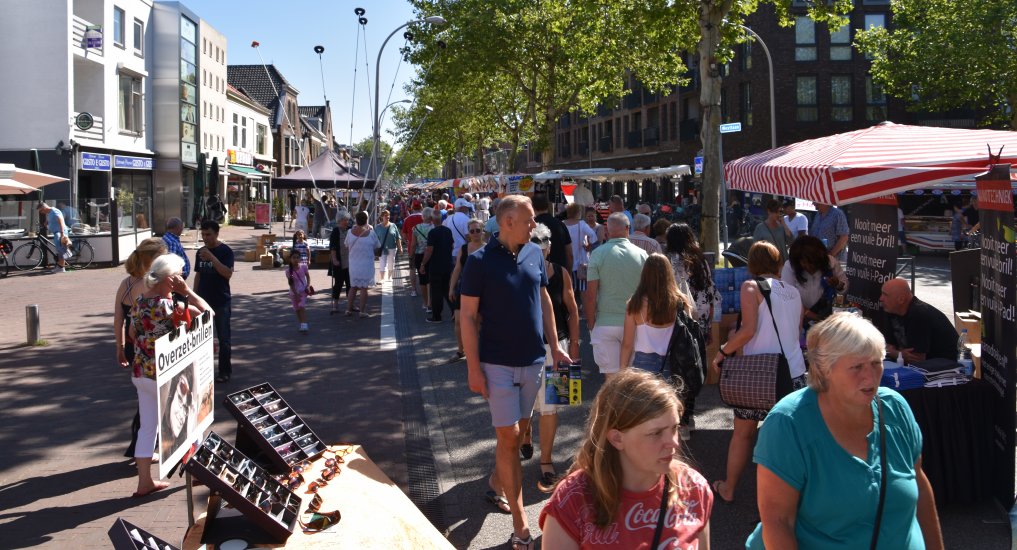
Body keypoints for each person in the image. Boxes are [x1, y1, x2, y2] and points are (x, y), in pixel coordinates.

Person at [746, 313, 943, 550]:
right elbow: (778, 522)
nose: (870, 377)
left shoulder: (895, 408)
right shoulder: (788, 423)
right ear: (824, 369)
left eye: (875, 363)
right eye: (857, 366)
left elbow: (919, 486)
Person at [459, 195, 572, 550]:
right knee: (509, 437)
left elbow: (546, 302)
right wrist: (473, 368)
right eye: (528, 221)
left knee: (520, 433)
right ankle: (520, 527)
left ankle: (497, 481)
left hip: (535, 360)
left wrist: (556, 346)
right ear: (508, 221)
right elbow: (465, 316)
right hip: (496, 364)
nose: (534, 227)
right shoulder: (478, 262)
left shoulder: (535, 253)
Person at [539, 369, 713, 549]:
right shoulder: (573, 500)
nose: (674, 443)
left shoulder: (694, 488)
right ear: (617, 438)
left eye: (675, 428)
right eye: (656, 433)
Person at [710, 241, 807, 505]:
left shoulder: (751, 287)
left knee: (743, 433)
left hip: (760, 375)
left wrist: (722, 352)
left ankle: (729, 488)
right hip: (794, 372)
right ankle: (789, 496)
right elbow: (797, 332)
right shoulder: (794, 292)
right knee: (788, 437)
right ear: (777, 264)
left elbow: (748, 330)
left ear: (751, 264)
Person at [128, 254, 208, 498]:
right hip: (167, 375)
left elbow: (132, 333)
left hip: (143, 372)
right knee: (190, 421)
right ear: (170, 279)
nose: (183, 278)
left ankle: (144, 482)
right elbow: (208, 314)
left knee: (147, 429)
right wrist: (188, 293)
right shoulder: (173, 307)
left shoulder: (140, 302)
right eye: (181, 274)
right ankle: (195, 474)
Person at [518, 223, 581, 493]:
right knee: (525, 405)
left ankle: (546, 460)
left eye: (543, 247)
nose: (540, 252)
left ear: (549, 248)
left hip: (561, 345)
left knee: (554, 405)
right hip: (525, 348)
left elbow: (573, 310)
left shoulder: (562, 273)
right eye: (535, 247)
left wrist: (575, 346)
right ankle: (526, 432)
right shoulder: (517, 271)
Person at [664, 223, 720, 437]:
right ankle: (689, 416)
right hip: (700, 316)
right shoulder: (700, 259)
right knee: (694, 364)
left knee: (678, 367)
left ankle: (682, 420)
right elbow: (709, 289)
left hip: (678, 316)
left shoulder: (669, 259)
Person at [114, 238, 168, 459]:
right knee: (151, 400)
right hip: (150, 347)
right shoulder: (147, 285)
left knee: (144, 396)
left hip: (132, 347)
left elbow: (118, 320)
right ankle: (141, 445)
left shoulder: (125, 284)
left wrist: (120, 347)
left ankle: (139, 444)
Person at [585, 213, 648, 379]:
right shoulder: (642, 255)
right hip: (636, 322)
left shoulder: (598, 254)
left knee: (612, 380)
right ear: (628, 229)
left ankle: (612, 406)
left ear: (607, 230)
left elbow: (591, 295)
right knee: (633, 378)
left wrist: (591, 323)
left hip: (605, 322)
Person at [879, 278, 958, 363]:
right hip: (921, 366)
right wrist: (898, 354)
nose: (881, 298)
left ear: (901, 300)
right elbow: (888, 346)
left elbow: (916, 359)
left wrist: (895, 353)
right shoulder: (891, 310)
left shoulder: (919, 314)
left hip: (945, 367)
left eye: (885, 295)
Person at [194, 221, 234, 383]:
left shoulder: (225, 251)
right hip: (203, 302)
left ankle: (224, 371)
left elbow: (227, 273)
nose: (205, 238)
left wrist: (212, 257)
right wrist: (194, 296)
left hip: (221, 300)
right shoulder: (200, 252)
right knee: (202, 338)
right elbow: (198, 274)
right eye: (203, 234)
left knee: (224, 338)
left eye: (208, 234)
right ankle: (204, 372)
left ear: (216, 234)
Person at [782, 236, 847, 325]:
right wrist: (814, 317)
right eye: (805, 263)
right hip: (799, 320)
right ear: (797, 261)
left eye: (813, 262)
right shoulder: (790, 267)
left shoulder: (830, 263)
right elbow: (788, 298)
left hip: (827, 318)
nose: (810, 266)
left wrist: (837, 284)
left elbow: (844, 287)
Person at [448, 219, 486, 359]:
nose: (475, 233)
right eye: (472, 231)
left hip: (481, 290)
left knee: (477, 322)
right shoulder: (464, 249)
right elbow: (457, 268)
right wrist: (451, 288)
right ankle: (460, 350)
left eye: (478, 230)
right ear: (468, 233)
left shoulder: (487, 248)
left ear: (482, 231)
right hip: (463, 288)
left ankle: (476, 352)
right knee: (458, 322)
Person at [420, 208, 455, 323]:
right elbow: (452, 245)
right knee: (447, 289)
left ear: (432, 220)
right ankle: (455, 312)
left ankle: (437, 316)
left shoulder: (433, 233)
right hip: (447, 264)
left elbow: (430, 250)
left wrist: (423, 263)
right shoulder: (447, 231)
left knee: (436, 292)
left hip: (436, 265)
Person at [344, 211, 381, 318]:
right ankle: (362, 311)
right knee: (364, 288)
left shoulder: (350, 232)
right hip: (366, 264)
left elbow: (346, 245)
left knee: (353, 287)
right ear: (366, 220)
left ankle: (348, 309)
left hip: (354, 264)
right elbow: (377, 246)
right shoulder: (371, 233)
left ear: (356, 220)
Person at [563, 202, 598, 294]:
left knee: (569, 290)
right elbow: (593, 236)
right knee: (583, 289)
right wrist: (589, 245)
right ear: (578, 212)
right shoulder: (581, 224)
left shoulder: (562, 224)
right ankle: (583, 307)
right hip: (581, 262)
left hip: (566, 262)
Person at [532, 192, 573, 270]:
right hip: (560, 272)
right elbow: (569, 253)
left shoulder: (532, 227)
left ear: (532, 207)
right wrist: (569, 274)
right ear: (547, 206)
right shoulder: (560, 224)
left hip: (539, 272)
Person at [410, 207, 435, 314]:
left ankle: (425, 302)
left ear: (423, 216)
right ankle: (430, 302)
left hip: (420, 255)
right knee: (430, 279)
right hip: (432, 254)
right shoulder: (434, 227)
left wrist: (411, 256)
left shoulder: (416, 228)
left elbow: (413, 244)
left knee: (423, 279)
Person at [753, 198, 792, 263]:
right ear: (769, 211)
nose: (778, 214)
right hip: (768, 263)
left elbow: (790, 241)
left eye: (779, 212)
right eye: (775, 212)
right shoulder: (760, 228)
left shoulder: (782, 227)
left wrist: (784, 224)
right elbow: (755, 249)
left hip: (782, 262)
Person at [328, 211, 351, 314]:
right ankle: (335, 304)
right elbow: (332, 247)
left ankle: (350, 304)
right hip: (339, 261)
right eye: (345, 220)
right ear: (339, 220)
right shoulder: (335, 231)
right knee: (338, 284)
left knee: (350, 284)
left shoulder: (350, 230)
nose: (347, 222)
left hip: (350, 261)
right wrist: (334, 260)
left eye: (347, 220)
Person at [285, 245, 312, 332]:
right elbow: (291, 284)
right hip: (294, 292)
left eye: (297, 257)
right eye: (293, 258)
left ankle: (304, 324)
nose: (296, 259)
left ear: (300, 258)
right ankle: (301, 324)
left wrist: (308, 285)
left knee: (301, 306)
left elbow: (308, 276)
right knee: (296, 309)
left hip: (303, 291)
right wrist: (295, 294)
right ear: (290, 259)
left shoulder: (303, 267)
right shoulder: (288, 271)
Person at [37, 202, 70, 273]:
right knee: (60, 250)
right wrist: (47, 222)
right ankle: (60, 267)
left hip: (59, 233)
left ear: (44, 208)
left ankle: (61, 268)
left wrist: (62, 234)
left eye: (41, 211)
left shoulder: (54, 212)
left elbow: (60, 222)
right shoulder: (50, 212)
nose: (41, 212)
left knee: (61, 250)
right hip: (57, 233)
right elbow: (52, 219)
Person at [402, 201, 425, 296]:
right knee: (425, 269)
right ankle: (426, 290)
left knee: (412, 269)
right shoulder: (425, 218)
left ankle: (413, 290)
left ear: (412, 208)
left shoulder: (407, 219)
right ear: (421, 207)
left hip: (412, 247)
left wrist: (407, 241)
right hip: (425, 248)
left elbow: (404, 234)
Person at [374, 209, 402, 283]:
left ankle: (389, 277)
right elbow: (375, 239)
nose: (388, 217)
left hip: (392, 247)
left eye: (388, 215)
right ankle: (382, 278)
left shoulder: (393, 225)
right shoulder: (378, 227)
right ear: (382, 217)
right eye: (386, 215)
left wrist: (400, 248)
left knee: (391, 263)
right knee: (382, 263)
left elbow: (397, 237)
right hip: (382, 248)